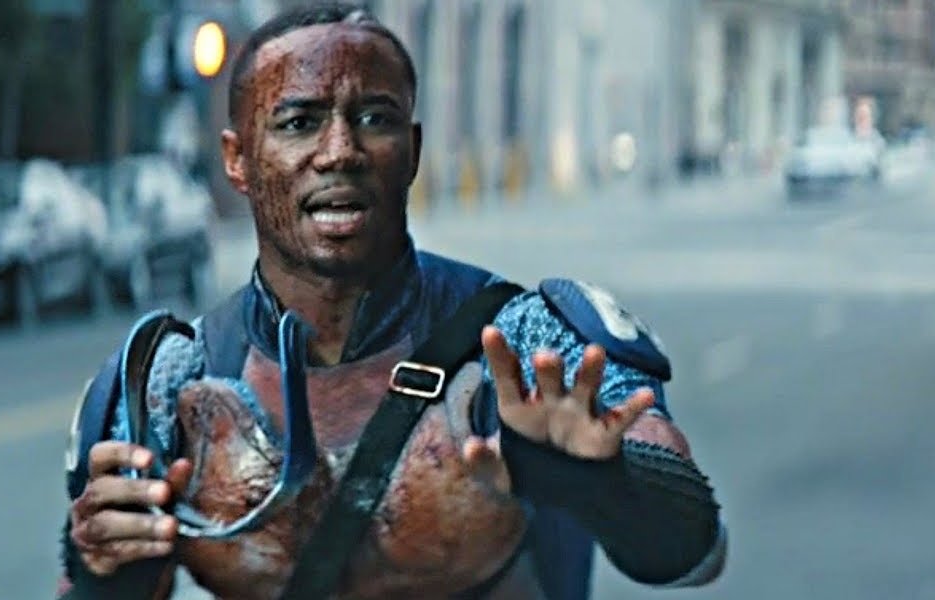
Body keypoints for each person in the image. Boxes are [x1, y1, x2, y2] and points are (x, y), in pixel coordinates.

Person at [56, 3, 726, 599]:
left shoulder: (527, 342)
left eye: (374, 119)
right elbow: (95, 578)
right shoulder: (163, 382)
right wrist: (102, 573)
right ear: (238, 160)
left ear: (412, 149)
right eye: (299, 122)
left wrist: (602, 482)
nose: (340, 152)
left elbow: (697, 553)